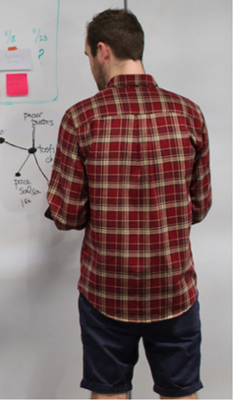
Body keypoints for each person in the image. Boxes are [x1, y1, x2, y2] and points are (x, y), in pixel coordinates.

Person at [46, 9, 211, 400]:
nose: (90, 66)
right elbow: (200, 207)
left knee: (109, 394)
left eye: (88, 56)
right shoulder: (189, 113)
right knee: (181, 393)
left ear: (103, 51)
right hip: (174, 289)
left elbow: (67, 216)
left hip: (107, 291)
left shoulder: (80, 119)